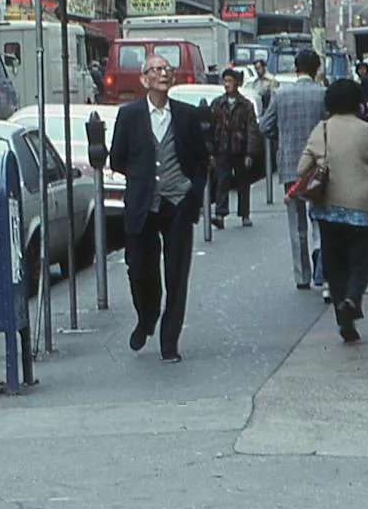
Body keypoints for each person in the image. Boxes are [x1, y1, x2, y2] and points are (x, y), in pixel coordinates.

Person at [107, 54, 211, 363]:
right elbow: (118, 159)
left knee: (177, 275)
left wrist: (192, 191)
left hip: (178, 203)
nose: (163, 73)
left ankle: (170, 341)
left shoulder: (187, 116)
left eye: (167, 69)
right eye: (156, 69)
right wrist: (143, 179)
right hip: (143, 205)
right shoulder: (129, 115)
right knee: (140, 271)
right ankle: (146, 317)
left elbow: (200, 161)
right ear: (144, 79)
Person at [291, 78, 368, 342]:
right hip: (363, 208)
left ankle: (341, 314)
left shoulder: (321, 130)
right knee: (362, 260)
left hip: (328, 209)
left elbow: (301, 169)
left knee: (334, 264)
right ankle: (352, 297)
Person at [268, 49, 329, 290]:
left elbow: (265, 125)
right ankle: (321, 268)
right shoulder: (323, 94)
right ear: (317, 70)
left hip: (290, 164)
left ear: (296, 68)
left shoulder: (280, 95)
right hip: (319, 167)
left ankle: (302, 276)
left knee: (296, 225)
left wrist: (282, 138)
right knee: (321, 218)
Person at [208, 68, 261, 229]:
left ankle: (244, 214)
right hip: (222, 148)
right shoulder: (218, 103)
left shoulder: (246, 105)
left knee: (243, 183)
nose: (227, 84)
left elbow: (252, 129)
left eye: (230, 81)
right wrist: (211, 151)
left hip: (241, 148)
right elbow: (211, 127)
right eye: (225, 81)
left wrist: (250, 153)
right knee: (221, 181)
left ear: (237, 83)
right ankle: (220, 214)